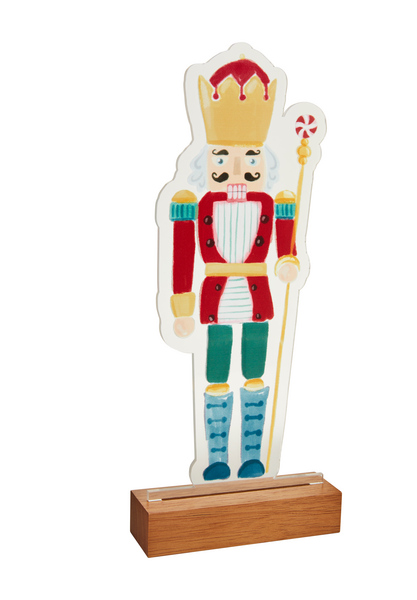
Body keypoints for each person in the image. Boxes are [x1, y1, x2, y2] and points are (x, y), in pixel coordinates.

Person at [168, 57, 300, 480]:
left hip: (257, 297)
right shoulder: (195, 205)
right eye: (224, 157)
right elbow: (183, 257)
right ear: (208, 161)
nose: (238, 169)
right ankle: (217, 458)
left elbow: (287, 246)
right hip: (216, 299)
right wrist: (182, 308)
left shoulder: (273, 203)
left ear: (265, 160)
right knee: (217, 371)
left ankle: (252, 456)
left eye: (251, 157)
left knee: (256, 370)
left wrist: (288, 261)